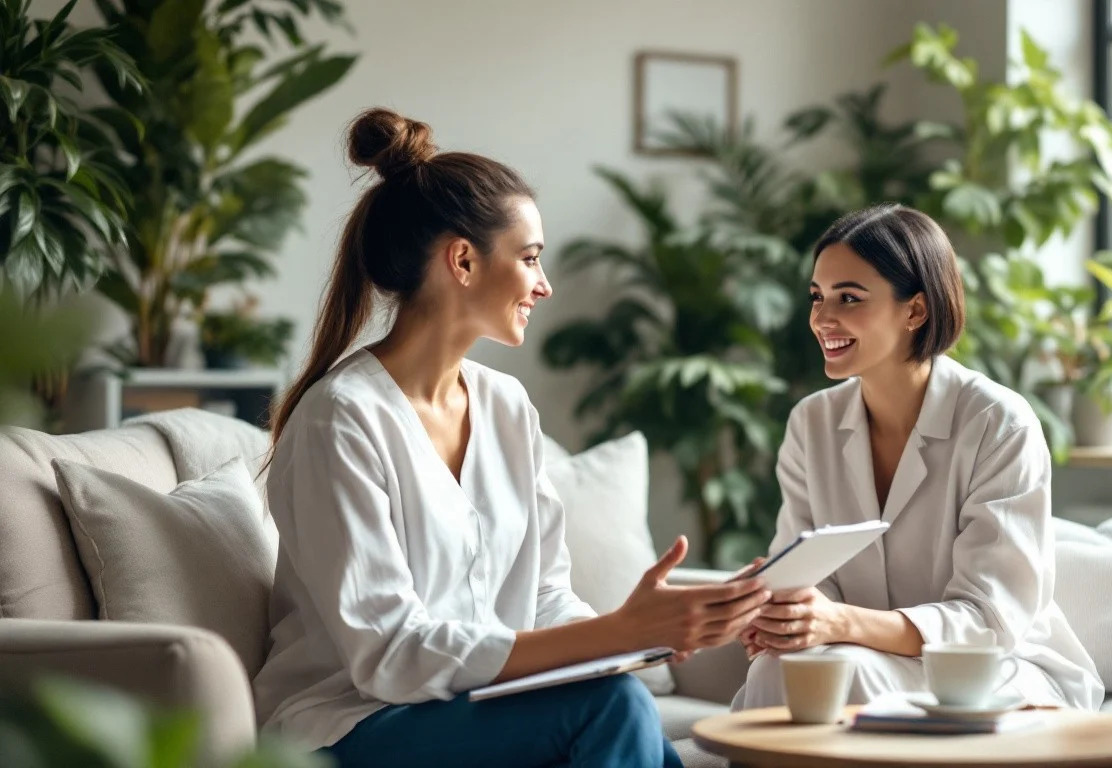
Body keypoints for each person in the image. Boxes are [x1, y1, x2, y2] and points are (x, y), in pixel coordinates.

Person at [251, 108, 770, 768]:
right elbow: (389, 656)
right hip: (352, 726)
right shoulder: (341, 419)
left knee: (619, 699)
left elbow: (546, 596)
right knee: (614, 708)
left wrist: (640, 636)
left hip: (472, 713)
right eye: (529, 259)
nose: (544, 285)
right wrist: (615, 633)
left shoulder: (506, 407)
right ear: (462, 261)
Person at [731, 204, 1103, 711]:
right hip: (867, 654)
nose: (822, 318)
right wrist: (780, 613)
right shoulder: (810, 423)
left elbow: (989, 621)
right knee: (785, 669)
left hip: (992, 668)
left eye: (849, 297)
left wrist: (836, 622)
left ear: (916, 310)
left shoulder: (999, 423)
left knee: (827, 679)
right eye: (817, 297)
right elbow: (810, 576)